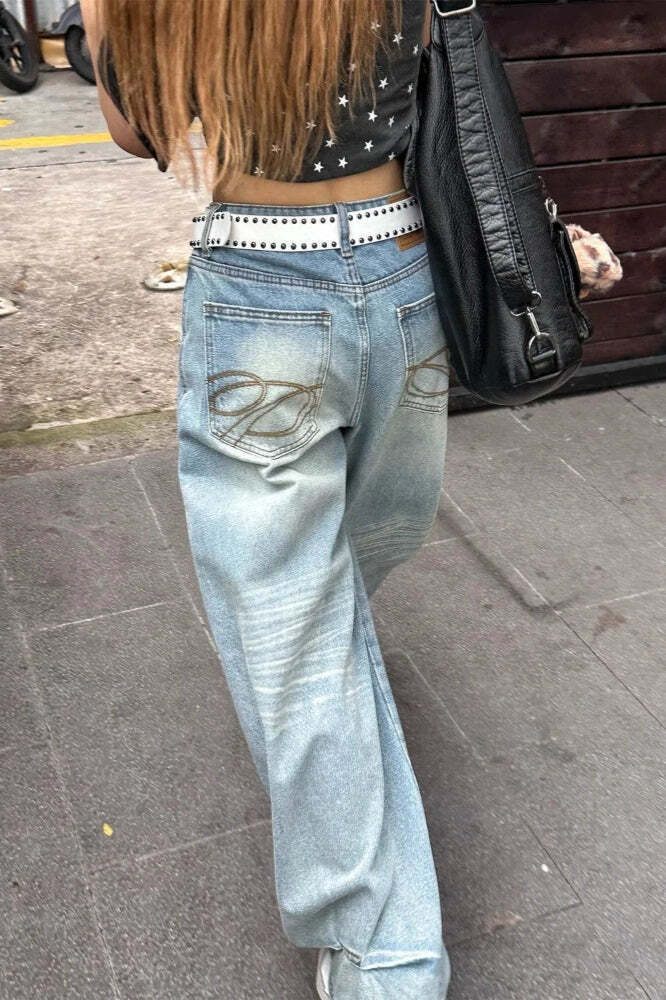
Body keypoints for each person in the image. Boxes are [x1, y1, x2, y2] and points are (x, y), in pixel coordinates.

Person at [82, 2, 451, 997]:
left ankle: (388, 962)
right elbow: (432, 59)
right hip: (407, 271)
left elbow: (141, 129)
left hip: (260, 279)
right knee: (368, 545)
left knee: (296, 637)